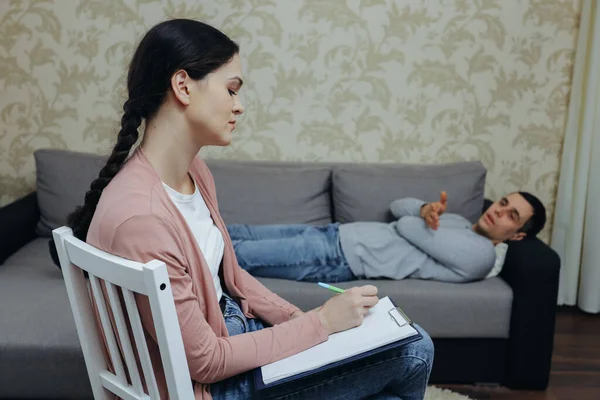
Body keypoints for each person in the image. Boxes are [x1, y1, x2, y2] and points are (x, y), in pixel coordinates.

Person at [50, 19, 434, 400]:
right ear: (182, 86)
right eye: (231, 90)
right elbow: (205, 362)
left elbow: (231, 275)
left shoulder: (193, 172)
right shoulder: (143, 219)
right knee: (416, 348)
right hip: (214, 385)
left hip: (234, 334)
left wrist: (298, 319)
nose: (240, 106)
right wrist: (321, 324)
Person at [227, 191, 547, 284]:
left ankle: (175, 263)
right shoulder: (458, 222)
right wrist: (422, 208)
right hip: (335, 234)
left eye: (511, 216)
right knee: (241, 232)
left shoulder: (482, 255)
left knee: (240, 254)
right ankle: (177, 230)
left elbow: (406, 227)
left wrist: (418, 218)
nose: (499, 211)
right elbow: (398, 206)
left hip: (337, 257)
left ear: (517, 236)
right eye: (503, 203)